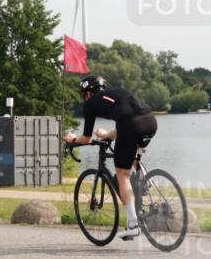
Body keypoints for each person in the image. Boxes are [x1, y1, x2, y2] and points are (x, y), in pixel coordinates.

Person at [64, 75, 157, 239]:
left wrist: (72, 139)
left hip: (131, 125)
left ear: (87, 93)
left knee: (122, 174)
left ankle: (133, 224)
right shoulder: (117, 92)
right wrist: (107, 135)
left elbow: (85, 138)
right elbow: (127, 122)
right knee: (131, 153)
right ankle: (145, 182)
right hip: (150, 121)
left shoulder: (90, 104)